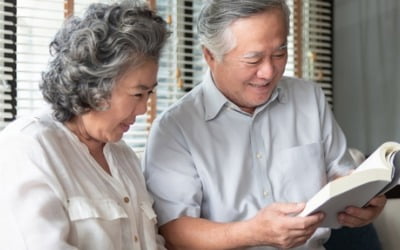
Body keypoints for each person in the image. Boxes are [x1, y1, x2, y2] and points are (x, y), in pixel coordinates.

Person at [143, 0, 386, 249]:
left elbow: (339, 173)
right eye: (253, 60)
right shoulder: (174, 129)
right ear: (210, 56)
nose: (269, 72)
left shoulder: (309, 98)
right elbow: (174, 230)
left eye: (279, 53)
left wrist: (362, 201)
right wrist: (251, 233)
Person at [0, 1, 169, 249]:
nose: (144, 109)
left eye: (149, 95)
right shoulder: (28, 148)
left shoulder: (124, 157)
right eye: (137, 94)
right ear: (95, 85)